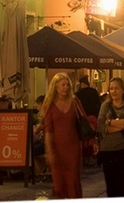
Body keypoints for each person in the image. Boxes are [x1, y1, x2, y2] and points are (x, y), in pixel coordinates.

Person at [40, 72, 83, 200]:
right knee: (58, 184)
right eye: (63, 85)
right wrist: (49, 151)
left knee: (73, 181)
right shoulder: (50, 106)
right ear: (55, 87)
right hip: (57, 150)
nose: (66, 88)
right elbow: (48, 131)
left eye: (67, 85)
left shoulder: (75, 102)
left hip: (73, 147)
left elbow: (83, 120)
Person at [97, 77, 124, 198]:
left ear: (122, 90)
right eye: (111, 88)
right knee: (111, 188)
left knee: (123, 187)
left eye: (117, 88)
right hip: (107, 151)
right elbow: (100, 126)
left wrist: (109, 122)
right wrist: (121, 123)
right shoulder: (105, 106)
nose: (114, 91)